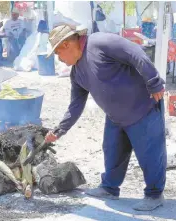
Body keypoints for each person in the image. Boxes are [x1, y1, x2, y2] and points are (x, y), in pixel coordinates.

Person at [45, 25, 166, 211]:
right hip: (115, 118)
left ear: (67, 44)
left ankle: (154, 195)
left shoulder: (100, 42)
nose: (59, 59)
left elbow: (135, 53)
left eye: (58, 54)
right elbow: (76, 105)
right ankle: (109, 188)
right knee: (112, 151)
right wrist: (60, 130)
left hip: (143, 109)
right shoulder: (77, 73)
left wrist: (154, 82)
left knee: (150, 156)